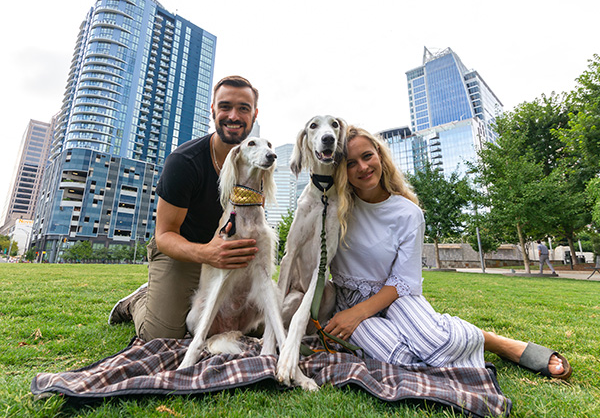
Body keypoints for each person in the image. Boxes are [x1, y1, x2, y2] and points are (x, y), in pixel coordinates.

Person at [323, 125, 572, 380]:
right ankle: (438, 338)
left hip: (396, 297)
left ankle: (496, 343)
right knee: (398, 359)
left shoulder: (408, 213)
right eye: (351, 163)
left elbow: (403, 280)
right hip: (349, 300)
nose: (362, 168)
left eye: (367, 156)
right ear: (341, 169)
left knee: (434, 343)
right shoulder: (333, 208)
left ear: (379, 154)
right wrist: (348, 312)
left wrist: (359, 314)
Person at [109, 75, 261, 341]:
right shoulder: (184, 161)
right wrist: (206, 253)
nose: (233, 116)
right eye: (225, 106)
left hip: (224, 252)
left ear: (254, 114)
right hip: (180, 250)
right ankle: (138, 300)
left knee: (255, 323)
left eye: (243, 108)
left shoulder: (255, 164)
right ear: (212, 110)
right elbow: (164, 234)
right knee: (162, 335)